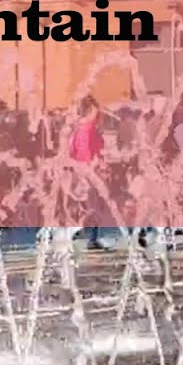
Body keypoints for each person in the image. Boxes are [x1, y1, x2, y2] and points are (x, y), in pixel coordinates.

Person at [69, 96, 111, 250]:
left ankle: (86, 235)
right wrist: (95, 166)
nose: (98, 114)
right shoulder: (89, 129)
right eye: (95, 111)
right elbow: (89, 152)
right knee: (95, 207)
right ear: (89, 111)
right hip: (90, 172)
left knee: (88, 206)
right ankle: (82, 233)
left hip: (80, 171)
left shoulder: (77, 129)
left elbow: (71, 151)